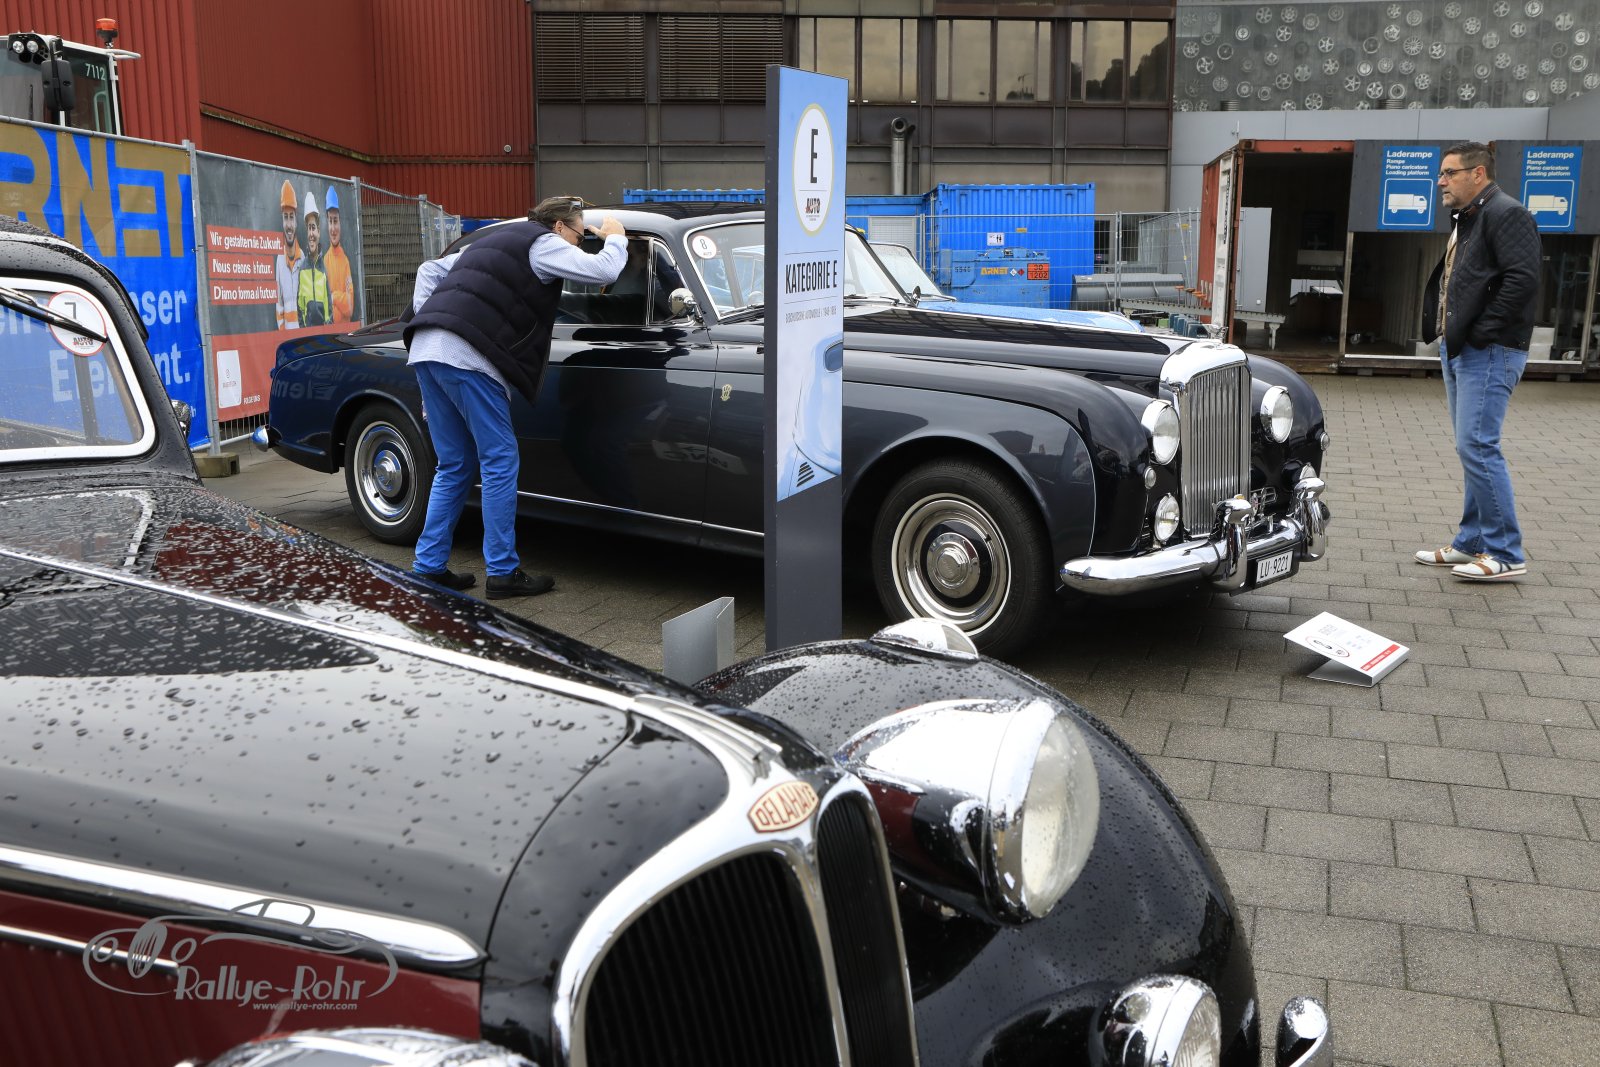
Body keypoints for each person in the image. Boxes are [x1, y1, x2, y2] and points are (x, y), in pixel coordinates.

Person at [403, 196, 626, 598]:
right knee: (499, 461)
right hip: (468, 355)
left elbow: (428, 270)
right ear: (559, 227)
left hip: (426, 347)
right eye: (580, 236)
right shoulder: (544, 243)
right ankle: (503, 572)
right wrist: (616, 238)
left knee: (454, 464)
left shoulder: (494, 240)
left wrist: (435, 317)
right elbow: (603, 270)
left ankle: (428, 566)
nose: (579, 245)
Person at [1415, 141, 1539, 582]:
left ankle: (1506, 552)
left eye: (1449, 173)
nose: (1441, 181)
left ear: (1478, 174)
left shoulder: (1506, 213)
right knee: (1471, 448)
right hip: (1463, 349)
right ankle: (1471, 542)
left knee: (1478, 446)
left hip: (1489, 350)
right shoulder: (1470, 217)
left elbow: (1522, 279)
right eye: (1441, 173)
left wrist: (1482, 332)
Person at [296, 189, 332, 328]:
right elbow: (300, 309)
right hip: (308, 335)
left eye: (313, 228)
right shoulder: (302, 270)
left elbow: (329, 311)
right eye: (309, 229)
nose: (311, 233)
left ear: (318, 232)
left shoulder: (324, 270)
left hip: (324, 334)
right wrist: (304, 332)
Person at [324, 186, 356, 323]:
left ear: (340, 222)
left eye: (335, 221)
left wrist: (334, 296)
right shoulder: (324, 261)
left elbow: (349, 307)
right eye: (330, 221)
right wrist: (341, 297)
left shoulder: (345, 262)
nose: (333, 228)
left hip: (345, 332)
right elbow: (324, 306)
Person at [273, 179, 301, 330]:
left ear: (296, 221)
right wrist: (283, 334)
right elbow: (279, 305)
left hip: (305, 338)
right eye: (285, 217)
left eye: (291, 217)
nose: (289, 224)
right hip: (288, 339)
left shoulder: (304, 260)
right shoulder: (279, 260)